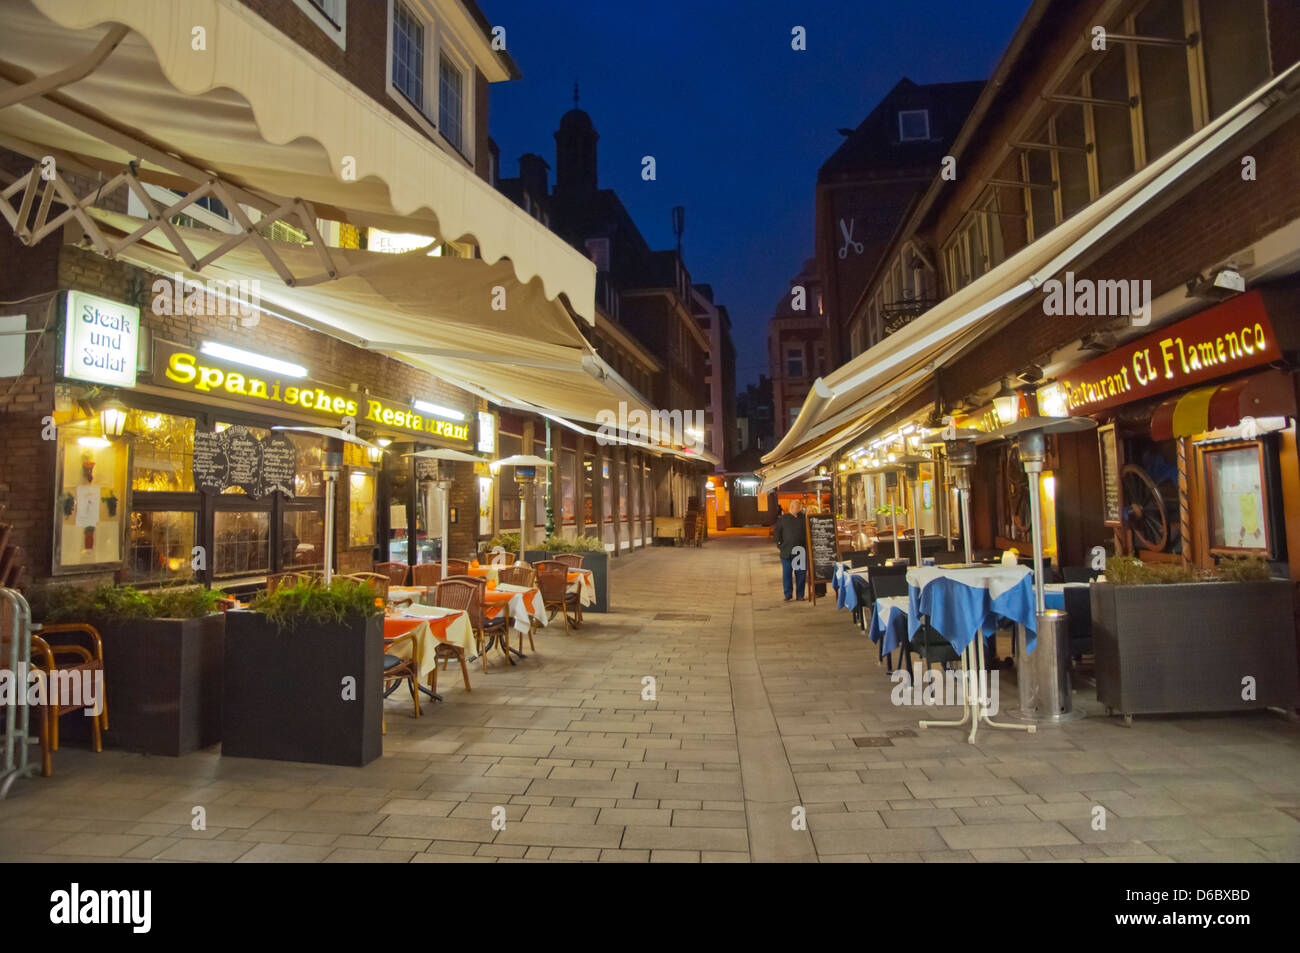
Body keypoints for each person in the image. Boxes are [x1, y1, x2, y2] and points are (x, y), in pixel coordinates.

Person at [774, 497, 807, 602]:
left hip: (800, 551)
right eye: (798, 507)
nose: (799, 509)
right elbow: (777, 533)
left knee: (800, 574)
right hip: (786, 551)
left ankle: (800, 595)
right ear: (792, 507)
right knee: (787, 573)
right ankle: (788, 594)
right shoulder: (783, 519)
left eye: (800, 507)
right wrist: (780, 545)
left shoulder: (803, 519)